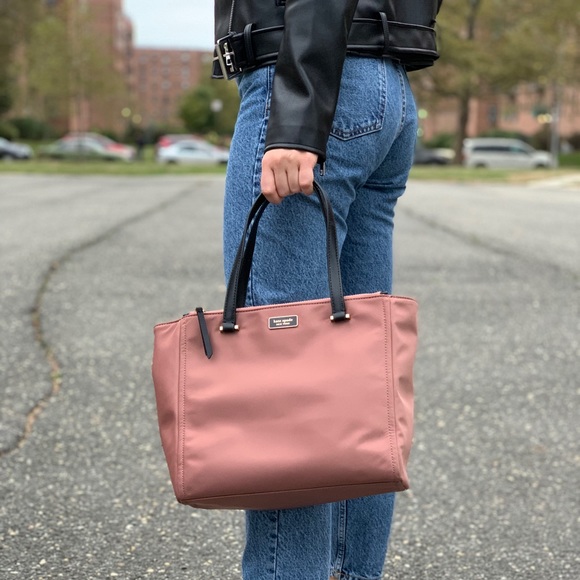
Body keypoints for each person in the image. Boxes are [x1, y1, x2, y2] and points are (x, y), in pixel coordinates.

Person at [213, 1, 443, 578]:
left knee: (282, 374)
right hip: (382, 87)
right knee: (356, 369)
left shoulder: (305, 91)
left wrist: (297, 116)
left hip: (310, 78)